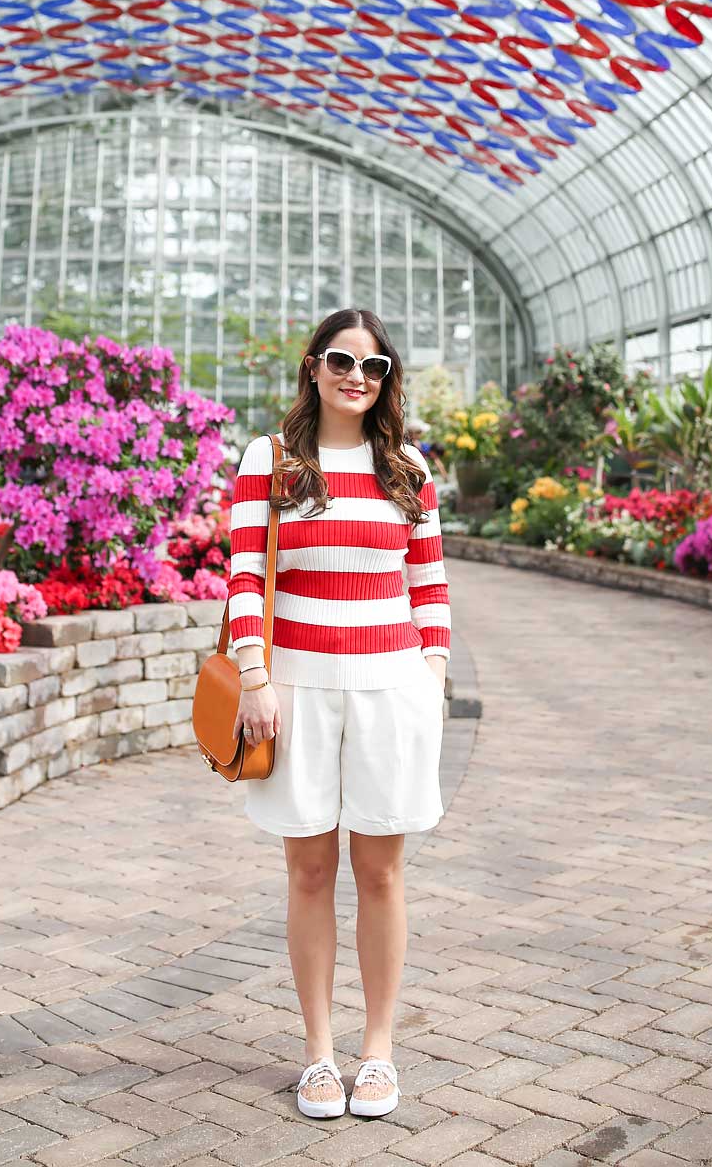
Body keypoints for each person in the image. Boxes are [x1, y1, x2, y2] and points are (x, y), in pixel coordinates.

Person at [227, 307, 451, 1121]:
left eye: (374, 366)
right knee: (310, 870)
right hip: (298, 689)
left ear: (387, 379)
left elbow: (429, 586)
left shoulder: (407, 467)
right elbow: (244, 572)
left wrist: (431, 674)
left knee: (383, 872)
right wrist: (255, 676)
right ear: (312, 367)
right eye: (341, 361)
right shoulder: (274, 459)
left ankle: (379, 1050)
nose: (357, 376)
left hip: (392, 688)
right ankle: (319, 1054)